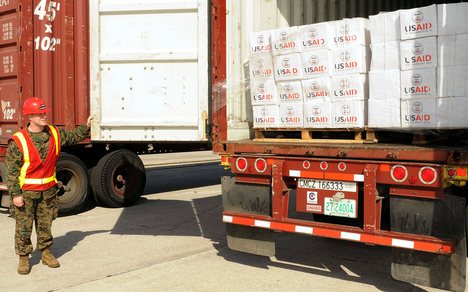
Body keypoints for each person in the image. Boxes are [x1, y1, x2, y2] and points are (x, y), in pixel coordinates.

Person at [5, 97, 92, 275]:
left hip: (48, 192)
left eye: (45, 112)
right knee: (24, 227)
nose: (44, 116)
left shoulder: (54, 133)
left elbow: (73, 136)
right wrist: (15, 195)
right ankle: (23, 257)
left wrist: (87, 126)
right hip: (26, 193)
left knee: (46, 225)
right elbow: (11, 171)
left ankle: (46, 253)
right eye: (40, 113)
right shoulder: (19, 141)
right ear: (30, 116)